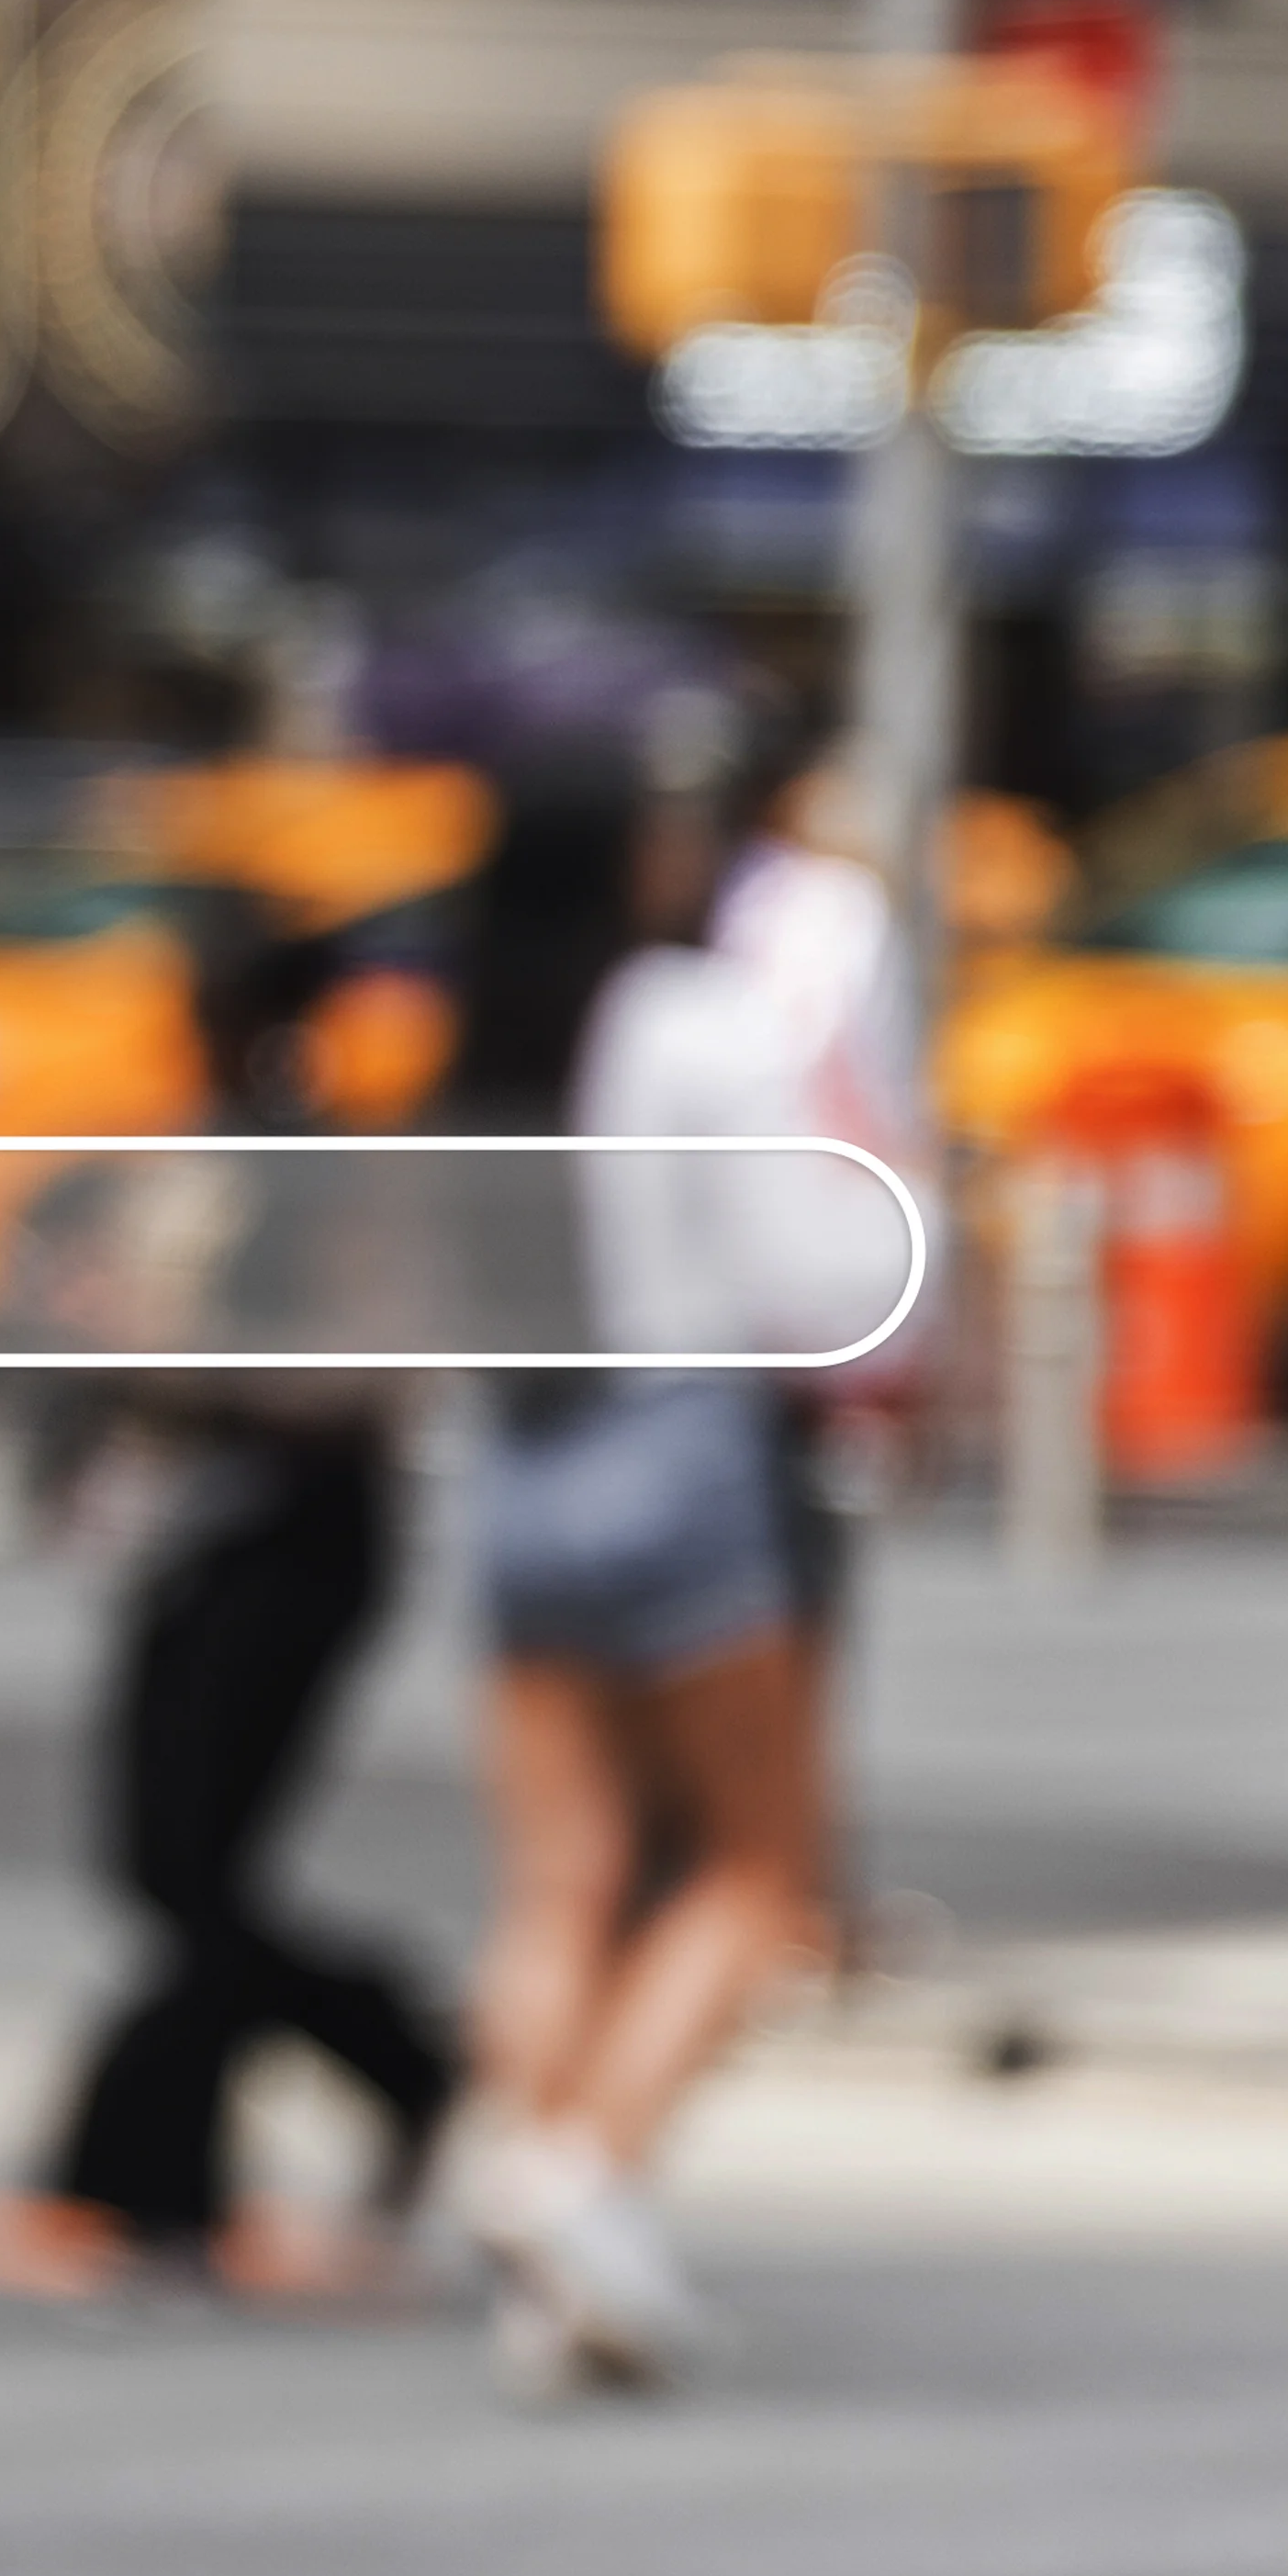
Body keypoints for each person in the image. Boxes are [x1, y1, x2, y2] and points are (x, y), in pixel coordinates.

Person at [0, 928, 454, 2305]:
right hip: (183, 1546)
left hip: (299, 1545)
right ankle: (372, 2067)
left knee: (195, 1868)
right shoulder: (170, 1157)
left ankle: (182, 2153)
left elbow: (373, 1369)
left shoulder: (334, 1167)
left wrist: (199, 1373)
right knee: (162, 1862)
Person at [443, 774, 876, 2398]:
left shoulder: (490, 1038)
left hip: (519, 1454)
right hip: (678, 1441)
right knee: (764, 1864)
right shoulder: (696, 1018)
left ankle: (546, 2232)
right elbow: (800, 1269)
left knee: (560, 1875)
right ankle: (585, 2174)